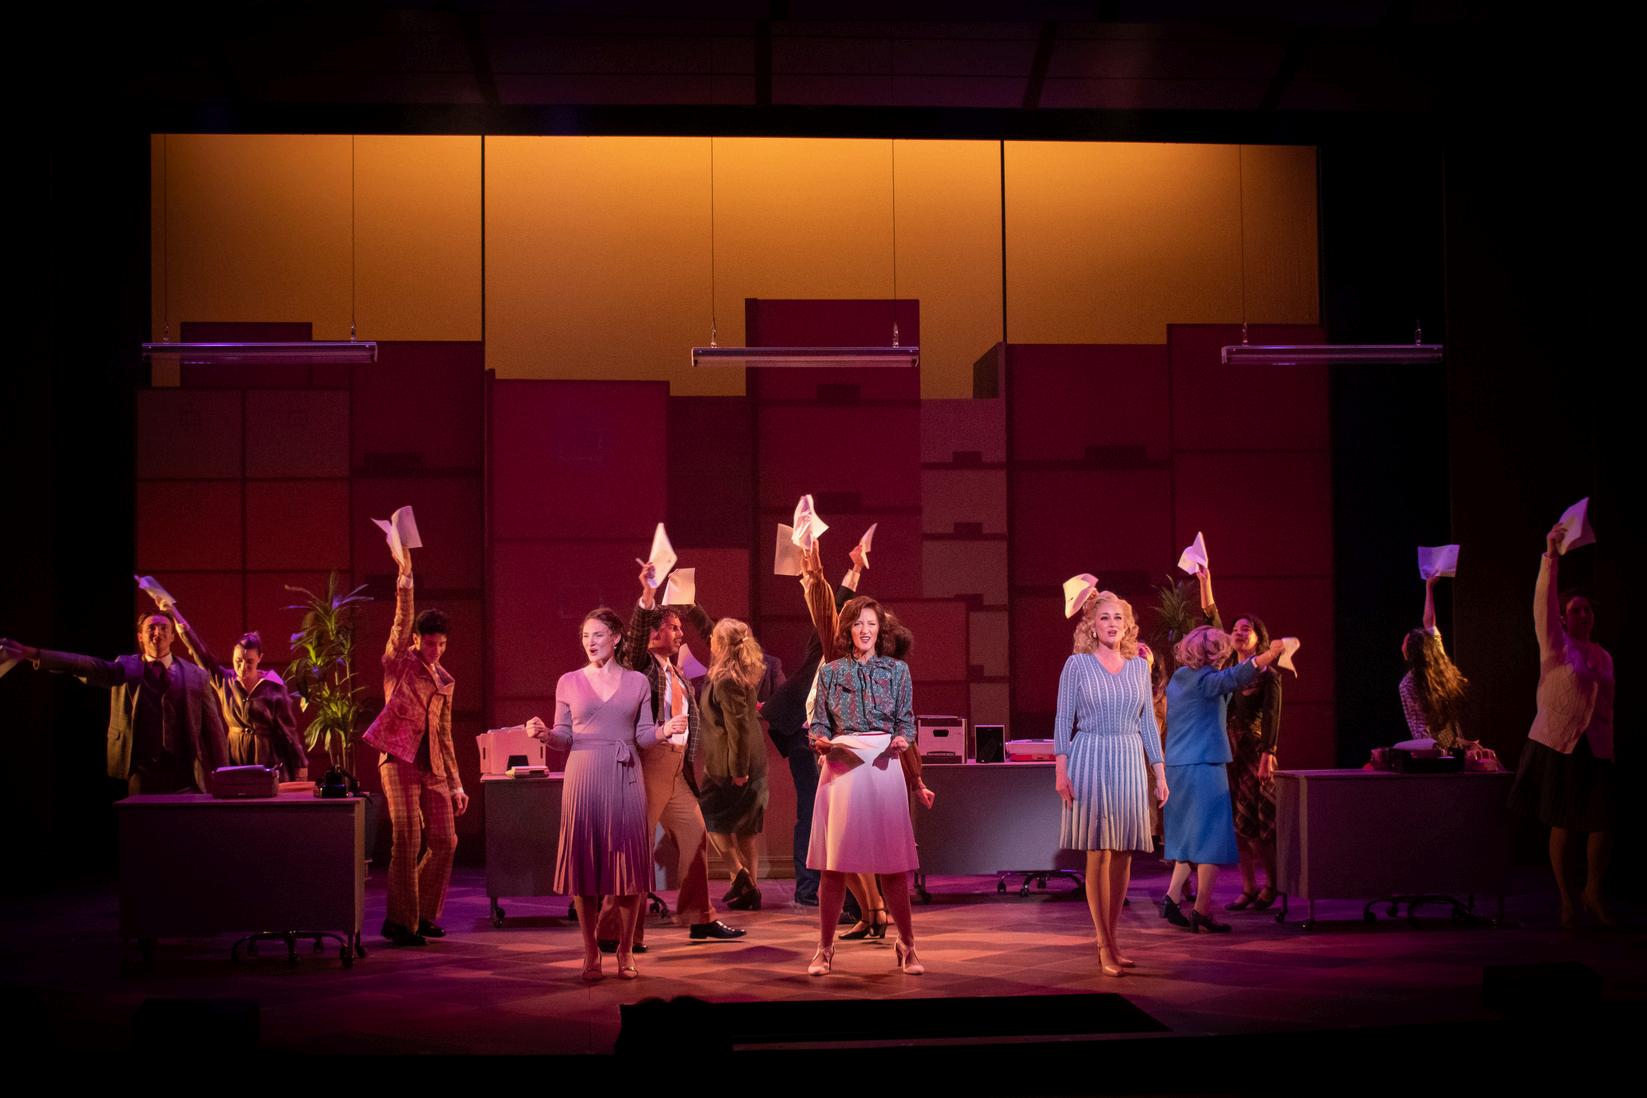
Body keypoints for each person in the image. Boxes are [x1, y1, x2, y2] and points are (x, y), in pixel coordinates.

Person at [593, 566, 744, 951]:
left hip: (676, 769)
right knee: (634, 849)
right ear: (654, 634)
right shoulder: (640, 667)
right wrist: (647, 595)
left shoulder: (676, 672)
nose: (680, 634)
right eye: (673, 628)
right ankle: (614, 931)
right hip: (648, 764)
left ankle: (700, 917)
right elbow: (636, 634)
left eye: (679, 628)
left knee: (695, 835)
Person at [531, 608, 658, 980]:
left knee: (628, 869)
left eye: (598, 634)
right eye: (586, 635)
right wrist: (545, 735)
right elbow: (563, 736)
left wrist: (666, 731)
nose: (590, 642)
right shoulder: (568, 681)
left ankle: (625, 949)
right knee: (584, 867)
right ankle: (590, 952)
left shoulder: (637, 682)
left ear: (616, 638)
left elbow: (644, 736)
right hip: (584, 775)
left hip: (624, 774)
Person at [804, 595, 923, 977]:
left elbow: (906, 720)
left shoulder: (897, 671)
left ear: (880, 629)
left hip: (884, 761)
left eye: (871, 623)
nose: (865, 630)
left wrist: (903, 739)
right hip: (842, 761)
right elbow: (819, 723)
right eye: (858, 624)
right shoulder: (831, 672)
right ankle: (824, 948)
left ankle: (907, 944)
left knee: (893, 865)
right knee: (834, 865)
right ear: (848, 630)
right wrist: (820, 741)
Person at [1054, 591, 1167, 977]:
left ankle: (1114, 938)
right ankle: (1102, 941)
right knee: (1098, 851)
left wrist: (1160, 772)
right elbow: (1063, 718)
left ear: (1128, 624)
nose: (1112, 624)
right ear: (1092, 625)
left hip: (1129, 758)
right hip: (1090, 755)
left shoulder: (1138, 667)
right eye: (1104, 617)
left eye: (1118, 617)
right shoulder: (1077, 665)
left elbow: (1148, 723)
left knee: (1123, 852)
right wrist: (1061, 769)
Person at [1508, 524, 1616, 929]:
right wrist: (1551, 556)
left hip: (1596, 748)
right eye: (1576, 610)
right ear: (1563, 618)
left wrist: (1609, 748)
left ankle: (1593, 891)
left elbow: (1606, 708)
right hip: (1560, 744)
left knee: (1602, 822)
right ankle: (1567, 900)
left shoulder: (1603, 656)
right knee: (1564, 822)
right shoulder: (1556, 645)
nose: (1584, 615)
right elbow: (1543, 602)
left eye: (1588, 610)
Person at [360, 548, 468, 948]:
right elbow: (400, 622)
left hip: (433, 764)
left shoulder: (445, 680)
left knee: (446, 841)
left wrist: (456, 784)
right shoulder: (399, 662)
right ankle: (400, 922)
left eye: (441, 644)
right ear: (418, 640)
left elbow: (445, 733)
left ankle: (420, 912)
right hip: (398, 757)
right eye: (430, 643)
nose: (435, 650)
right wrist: (405, 575)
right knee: (407, 837)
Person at [3, 611, 228, 793]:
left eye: (163, 628)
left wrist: (225, 776)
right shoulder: (125, 667)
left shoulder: (196, 675)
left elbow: (213, 730)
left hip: (185, 774)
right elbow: (84, 665)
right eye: (151, 628)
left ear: (172, 636)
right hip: (142, 772)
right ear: (140, 637)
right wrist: (34, 653)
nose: (157, 633)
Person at [1159, 624, 1286, 933]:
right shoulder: (1206, 681)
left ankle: (1172, 898)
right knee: (1211, 841)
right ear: (1215, 653)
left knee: (1190, 838)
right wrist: (1271, 653)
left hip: (1178, 765)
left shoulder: (1180, 677)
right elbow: (1236, 677)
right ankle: (1202, 911)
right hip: (1204, 764)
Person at [1195, 566, 1283, 911]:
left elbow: (1273, 715)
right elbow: (1211, 619)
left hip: (1253, 753)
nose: (1238, 632)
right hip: (1226, 752)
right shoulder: (1228, 669)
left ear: (1259, 638)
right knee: (1236, 826)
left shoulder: (1268, 674)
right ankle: (1248, 886)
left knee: (1257, 826)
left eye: (1246, 629)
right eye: (1235, 629)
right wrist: (1205, 581)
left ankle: (1272, 885)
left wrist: (1268, 753)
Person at [150, 591, 307, 779]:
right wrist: (175, 614)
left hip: (267, 757)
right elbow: (200, 652)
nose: (243, 666)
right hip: (236, 754)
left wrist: (300, 764)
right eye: (238, 661)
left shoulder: (274, 688)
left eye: (249, 661)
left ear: (260, 658)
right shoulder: (225, 680)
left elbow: (288, 731)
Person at [697, 618, 771, 910]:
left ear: (721, 645)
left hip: (731, 765)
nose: (710, 640)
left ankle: (741, 876)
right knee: (745, 829)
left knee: (709, 817)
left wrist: (738, 771)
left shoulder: (727, 680)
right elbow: (708, 630)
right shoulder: (739, 670)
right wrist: (690, 606)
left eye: (714, 638)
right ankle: (749, 892)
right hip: (748, 761)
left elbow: (737, 729)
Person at [1398, 573, 1469, 751]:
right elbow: (1429, 624)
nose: (1401, 646)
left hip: (1436, 751)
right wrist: (1428, 587)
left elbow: (1419, 729)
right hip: (1455, 744)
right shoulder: (1440, 665)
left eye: (1405, 643)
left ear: (1412, 652)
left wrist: (1436, 753)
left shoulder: (1408, 684)